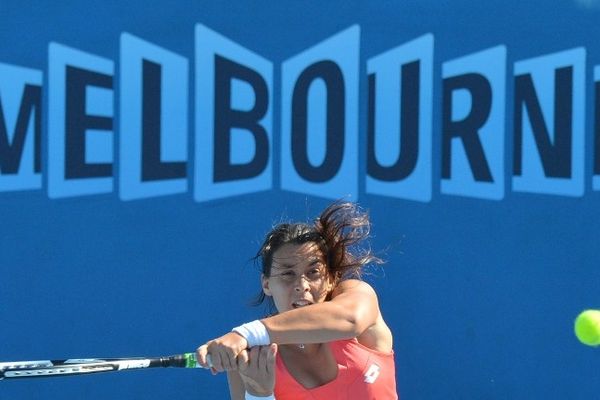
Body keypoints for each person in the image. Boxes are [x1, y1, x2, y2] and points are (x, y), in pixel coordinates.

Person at [196, 201, 398, 399]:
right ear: (266, 285)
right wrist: (259, 395)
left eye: (313, 272)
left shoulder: (357, 295)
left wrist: (246, 333)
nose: (302, 284)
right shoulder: (251, 355)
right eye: (287, 274)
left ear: (330, 279)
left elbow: (351, 320)